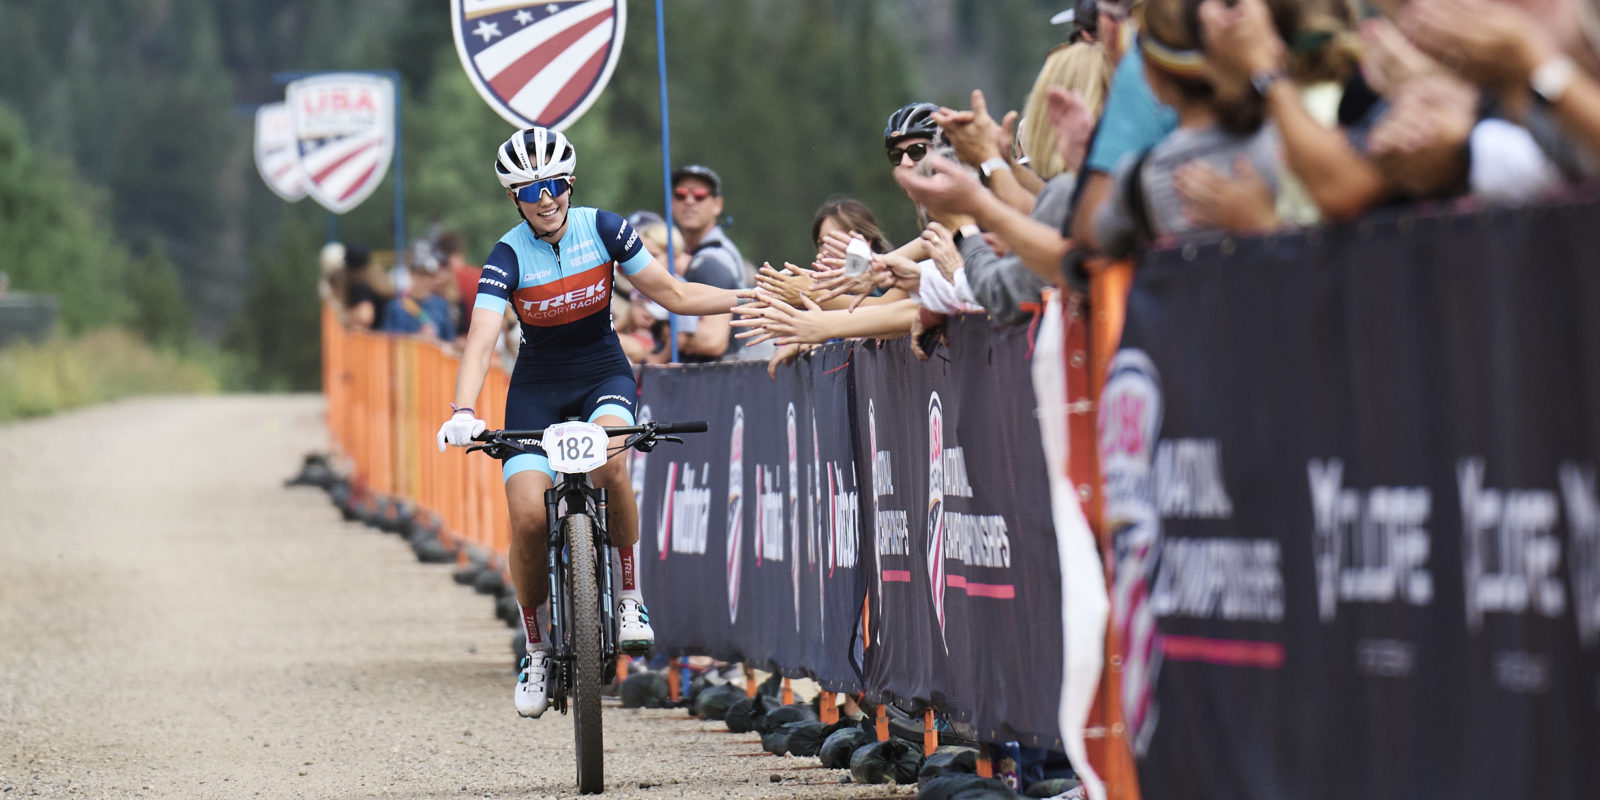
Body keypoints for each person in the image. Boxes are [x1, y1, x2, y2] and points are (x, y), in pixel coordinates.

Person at [436, 127, 743, 719]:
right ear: (514, 198)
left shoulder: (604, 229)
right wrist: (464, 412)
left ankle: (629, 597)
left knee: (610, 464)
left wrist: (750, 298)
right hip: (536, 389)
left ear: (570, 183)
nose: (545, 198)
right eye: (530, 190)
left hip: (603, 372)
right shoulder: (506, 256)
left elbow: (674, 295)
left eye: (553, 184)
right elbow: (481, 339)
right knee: (528, 517)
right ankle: (536, 650)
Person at [670, 165, 746, 362]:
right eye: (680, 194)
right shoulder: (689, 256)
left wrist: (659, 332)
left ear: (717, 205)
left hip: (725, 374)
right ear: (671, 202)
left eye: (700, 195)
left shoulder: (712, 261)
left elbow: (713, 340)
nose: (689, 201)